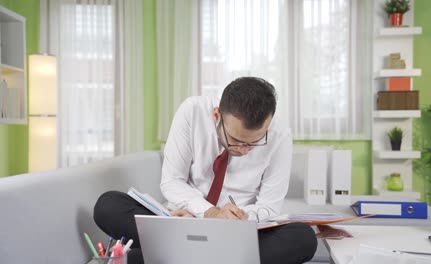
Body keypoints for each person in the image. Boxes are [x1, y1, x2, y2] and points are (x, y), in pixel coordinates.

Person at [94, 77, 317, 264]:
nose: (245, 150)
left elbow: (270, 205)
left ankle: (172, 257)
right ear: (216, 115)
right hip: (183, 224)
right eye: (236, 140)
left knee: (304, 238)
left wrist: (239, 219)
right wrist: (210, 214)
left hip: (238, 233)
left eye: (254, 142)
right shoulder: (191, 111)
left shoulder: (280, 135)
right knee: (108, 205)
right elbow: (172, 181)